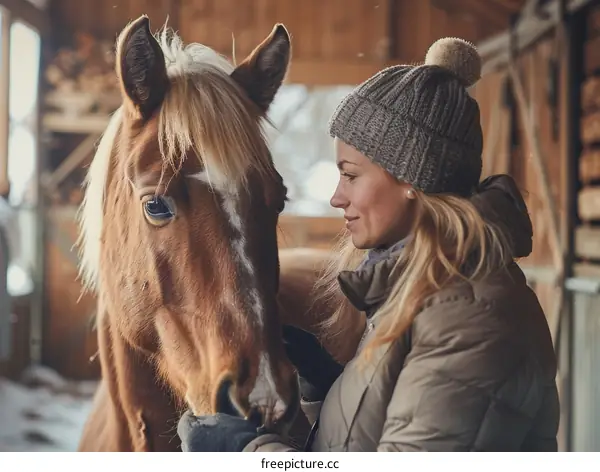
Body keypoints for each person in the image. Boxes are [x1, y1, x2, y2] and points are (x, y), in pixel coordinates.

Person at [176, 37, 559, 452]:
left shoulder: (471, 316)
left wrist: (247, 453)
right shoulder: (426, 289)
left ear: (411, 178)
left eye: (351, 176)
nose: (337, 198)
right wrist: (330, 387)